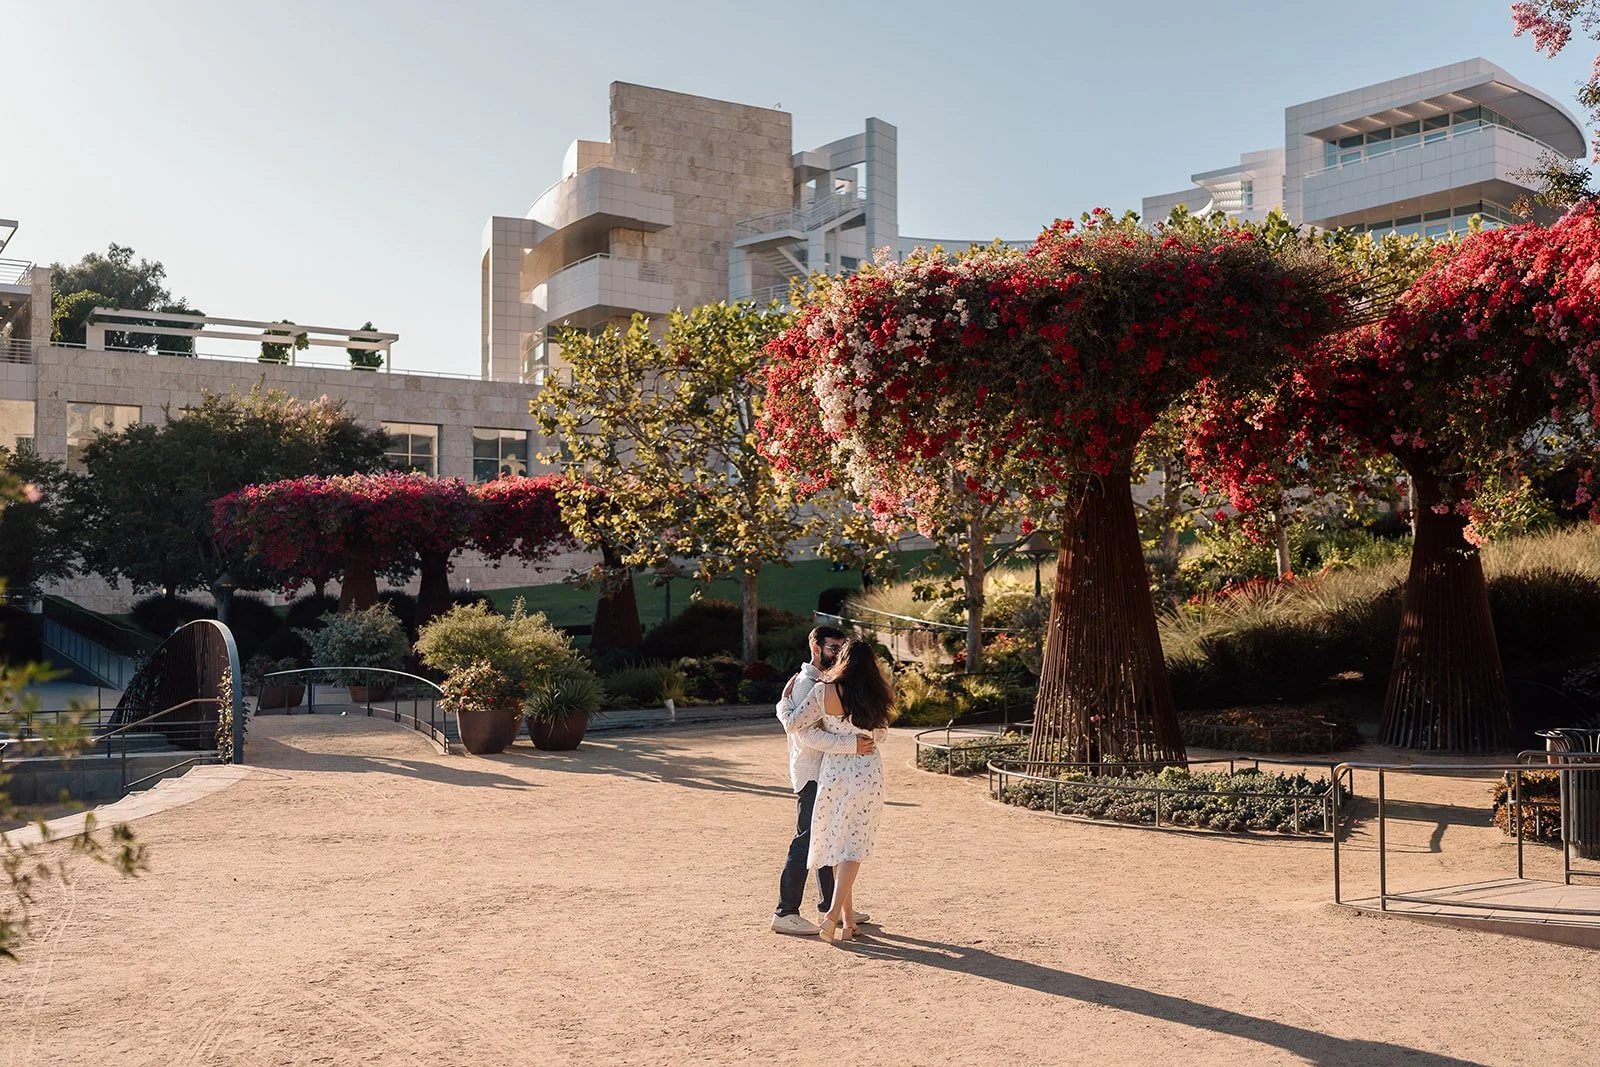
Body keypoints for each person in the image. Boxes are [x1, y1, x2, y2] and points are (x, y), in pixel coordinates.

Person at [770, 626, 875, 936]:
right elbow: (801, 732)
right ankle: (785, 911)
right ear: (816, 648)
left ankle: (833, 906)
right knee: (806, 840)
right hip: (814, 773)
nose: (839, 654)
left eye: (842, 648)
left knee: (832, 838)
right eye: (833, 648)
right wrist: (851, 745)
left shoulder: (825, 682)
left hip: (830, 772)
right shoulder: (806, 683)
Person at [798, 638, 893, 943]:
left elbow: (799, 728)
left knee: (839, 841)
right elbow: (881, 735)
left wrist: (785, 703)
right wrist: (856, 739)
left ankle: (848, 921)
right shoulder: (878, 693)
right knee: (853, 844)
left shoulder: (824, 689)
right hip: (867, 771)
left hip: (835, 771)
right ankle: (833, 917)